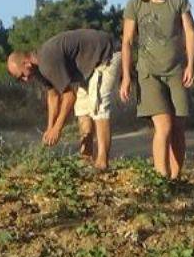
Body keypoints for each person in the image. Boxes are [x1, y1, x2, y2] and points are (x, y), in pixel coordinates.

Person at [120, 0, 194, 179]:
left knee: (178, 128)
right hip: (148, 73)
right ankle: (161, 178)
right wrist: (126, 76)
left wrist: (190, 64)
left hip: (176, 72)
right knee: (163, 126)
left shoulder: (178, 0)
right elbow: (127, 41)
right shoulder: (135, 5)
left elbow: (189, 33)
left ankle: (175, 177)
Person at [7, 29, 121, 170]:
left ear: (26, 63)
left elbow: (69, 96)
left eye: (21, 75)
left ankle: (102, 162)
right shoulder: (37, 71)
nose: (24, 80)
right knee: (82, 110)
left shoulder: (46, 62)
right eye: (20, 79)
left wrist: (58, 128)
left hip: (106, 54)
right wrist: (50, 128)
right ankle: (86, 158)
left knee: (98, 105)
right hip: (88, 68)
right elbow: (53, 95)